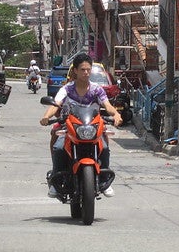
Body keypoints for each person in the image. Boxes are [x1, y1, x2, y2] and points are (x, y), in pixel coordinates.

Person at [40, 53, 122, 198]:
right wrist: (47, 116)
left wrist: (116, 115)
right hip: (69, 127)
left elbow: (107, 105)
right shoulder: (67, 89)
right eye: (82, 69)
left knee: (105, 147)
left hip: (92, 127)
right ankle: (55, 181)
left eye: (88, 69)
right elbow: (56, 104)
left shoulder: (97, 89)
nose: (86, 73)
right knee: (59, 148)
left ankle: (104, 180)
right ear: (75, 71)